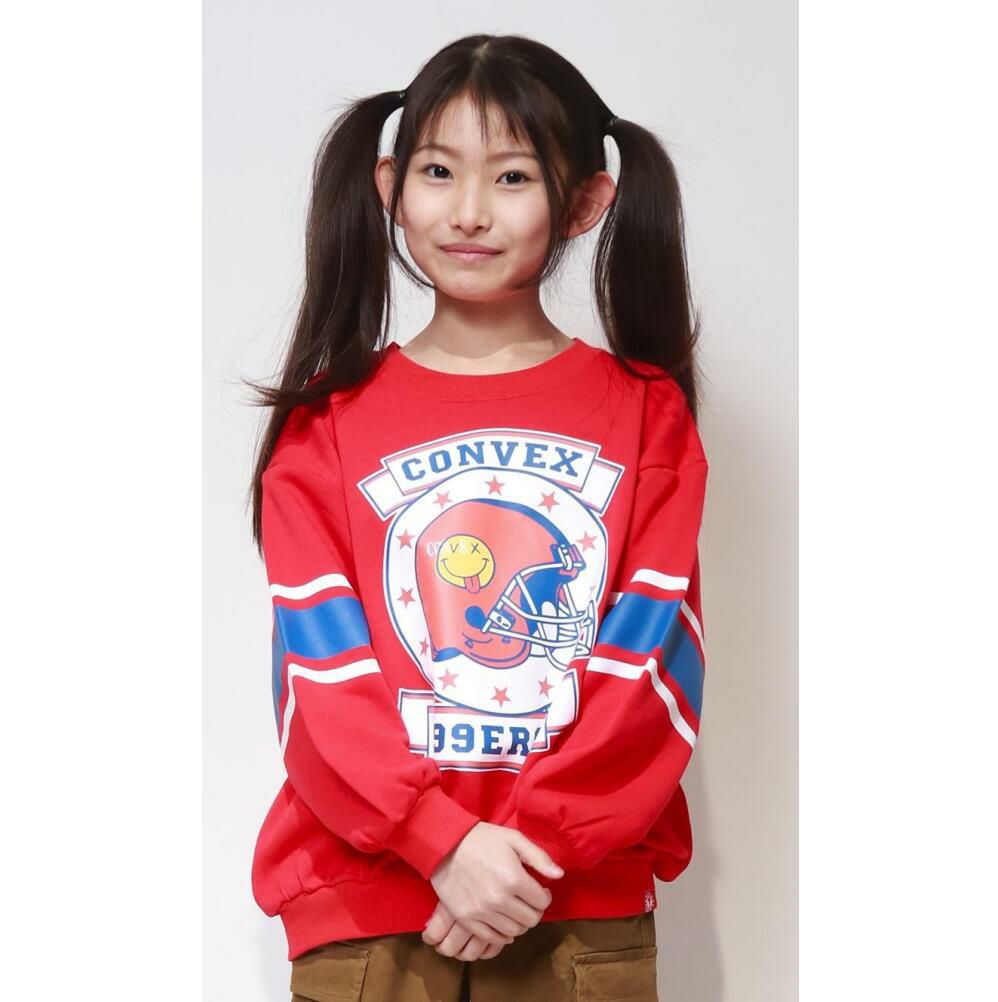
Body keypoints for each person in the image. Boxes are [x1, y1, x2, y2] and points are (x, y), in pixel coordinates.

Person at [245, 32, 710, 1002]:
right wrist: (438, 841)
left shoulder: (645, 416)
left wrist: (527, 849)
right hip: (366, 907)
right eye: (438, 171)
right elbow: (318, 678)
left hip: (573, 905)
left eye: (512, 177)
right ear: (389, 187)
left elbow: (654, 664)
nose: (467, 211)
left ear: (584, 201)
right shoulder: (326, 426)